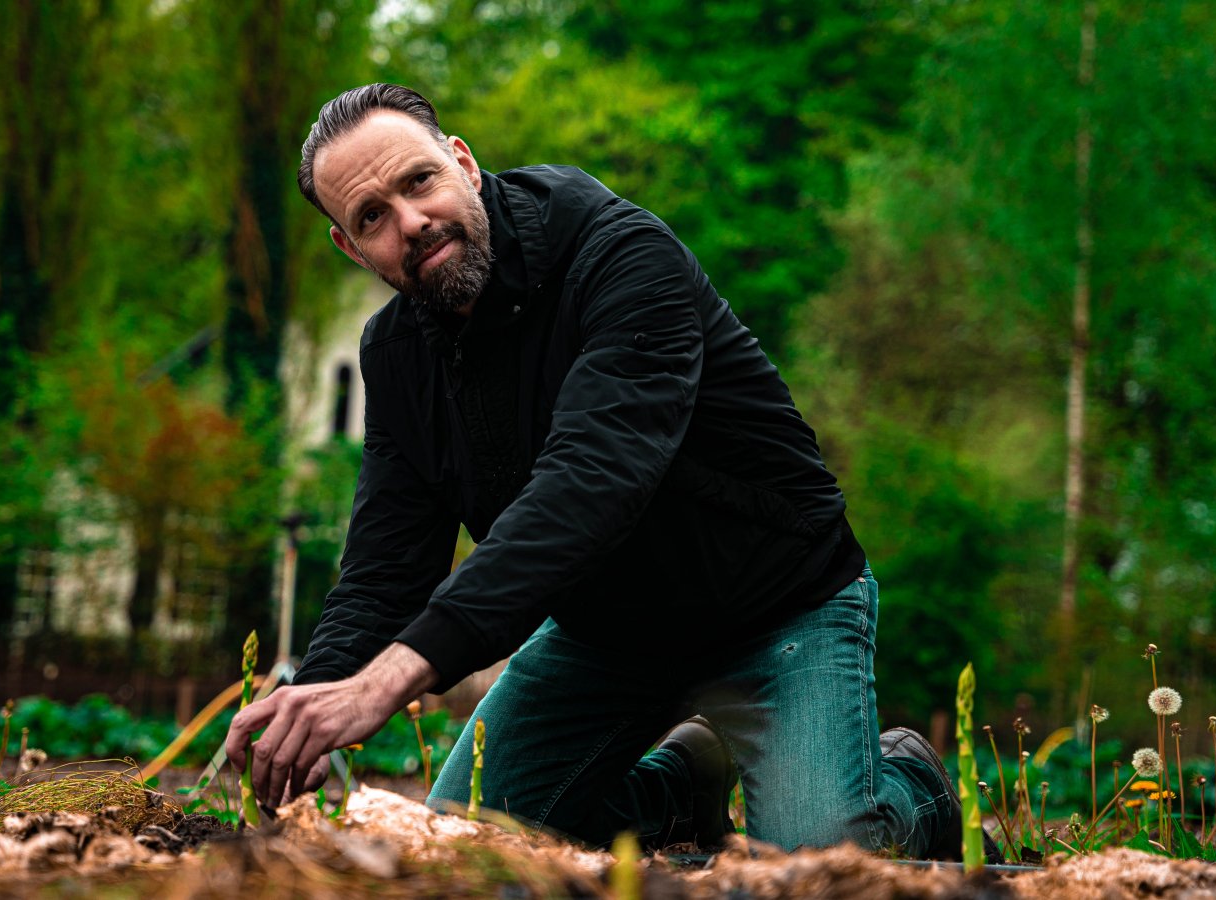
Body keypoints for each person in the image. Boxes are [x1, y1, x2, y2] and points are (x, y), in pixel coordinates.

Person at [225, 83, 974, 858]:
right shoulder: (397, 355)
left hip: (779, 607)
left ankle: (912, 789)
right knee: (471, 844)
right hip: (606, 638)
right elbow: (387, 562)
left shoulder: (617, 254)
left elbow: (590, 483)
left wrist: (390, 681)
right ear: (351, 248)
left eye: (418, 182)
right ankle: (677, 788)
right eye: (371, 217)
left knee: (820, 859)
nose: (411, 222)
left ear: (463, 163)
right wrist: (316, 694)